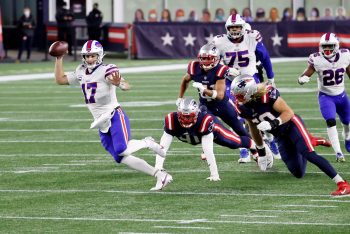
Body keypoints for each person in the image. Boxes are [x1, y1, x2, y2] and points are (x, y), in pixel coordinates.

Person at [53, 40, 172, 191]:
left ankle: (147, 142)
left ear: (100, 55)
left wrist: (119, 84)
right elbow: (60, 80)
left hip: (114, 114)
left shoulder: (107, 69)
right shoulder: (80, 71)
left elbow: (125, 85)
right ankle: (160, 176)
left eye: (93, 56)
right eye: (87, 56)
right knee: (120, 157)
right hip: (100, 122)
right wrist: (59, 58)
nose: (89, 59)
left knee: (122, 149)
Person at [230, 75, 350, 196]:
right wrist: (260, 151)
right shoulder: (241, 107)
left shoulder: (267, 94)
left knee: (308, 153)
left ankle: (342, 184)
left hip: (291, 125)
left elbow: (288, 112)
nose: (237, 98)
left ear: (250, 91)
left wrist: (273, 123)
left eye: (239, 95)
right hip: (279, 136)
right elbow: (253, 126)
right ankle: (310, 140)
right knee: (298, 172)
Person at [211, 14, 280, 161]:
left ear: (243, 27)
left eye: (237, 27)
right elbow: (213, 61)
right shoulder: (219, 41)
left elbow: (265, 56)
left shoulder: (252, 37)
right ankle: (244, 148)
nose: (235, 30)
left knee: (259, 112)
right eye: (232, 27)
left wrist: (271, 77)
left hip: (250, 79)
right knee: (235, 115)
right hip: (230, 81)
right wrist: (225, 69)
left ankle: (269, 138)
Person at [176, 43, 257, 162]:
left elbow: (219, 96)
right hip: (205, 106)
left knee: (240, 129)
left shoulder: (220, 70)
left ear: (216, 59)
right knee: (207, 127)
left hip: (222, 105)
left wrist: (204, 90)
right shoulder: (194, 67)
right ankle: (205, 149)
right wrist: (180, 98)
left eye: (209, 58)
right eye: (203, 58)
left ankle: (255, 151)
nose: (206, 61)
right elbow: (185, 80)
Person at [154, 97, 260, 180]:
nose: (186, 119)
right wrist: (158, 167)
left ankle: (254, 146)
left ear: (196, 113)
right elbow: (162, 147)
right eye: (183, 116)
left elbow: (209, 151)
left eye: (189, 116)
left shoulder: (204, 121)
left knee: (234, 143)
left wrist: (214, 175)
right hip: (195, 136)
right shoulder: (171, 120)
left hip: (212, 133)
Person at [297, 32, 350, 162]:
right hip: (326, 97)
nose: (327, 49)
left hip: (342, 95)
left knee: (347, 122)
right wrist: (302, 78)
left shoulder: (345, 56)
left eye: (330, 46)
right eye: (324, 46)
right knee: (330, 121)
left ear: (336, 46)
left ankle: (347, 137)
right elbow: (305, 74)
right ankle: (338, 152)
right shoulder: (316, 59)